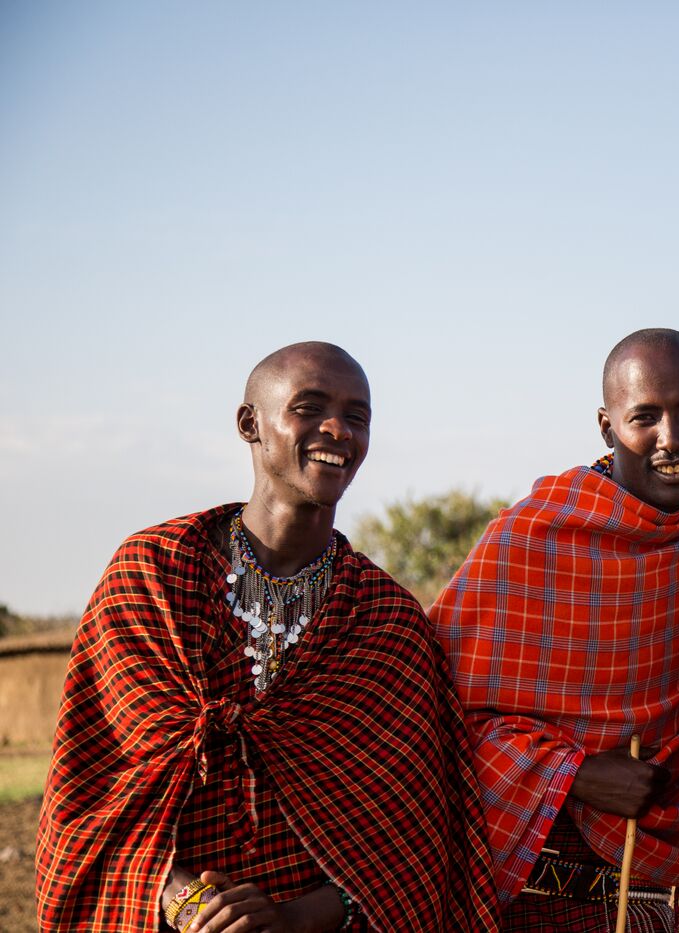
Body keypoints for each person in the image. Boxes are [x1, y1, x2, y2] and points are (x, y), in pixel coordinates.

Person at [35, 342, 498, 932]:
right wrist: (190, 904)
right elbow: (99, 793)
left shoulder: (387, 621)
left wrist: (292, 917)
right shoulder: (153, 576)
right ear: (249, 423)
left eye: (357, 416)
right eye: (309, 407)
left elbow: (410, 847)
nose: (337, 429)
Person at [430, 329, 679, 931]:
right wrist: (573, 775)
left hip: (648, 900)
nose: (670, 439)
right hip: (527, 888)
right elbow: (437, 716)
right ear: (606, 426)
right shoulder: (534, 537)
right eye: (643, 417)